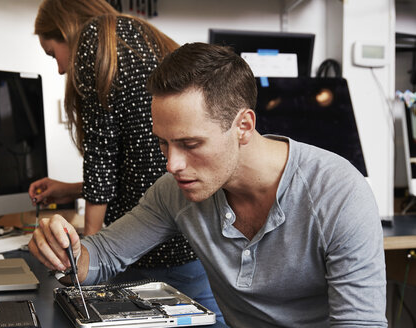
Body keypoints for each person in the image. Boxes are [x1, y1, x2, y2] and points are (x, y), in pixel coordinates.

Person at [29, 42, 388, 327]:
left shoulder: (338, 195)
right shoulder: (176, 191)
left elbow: (360, 323)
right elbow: (102, 256)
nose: (172, 164)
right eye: (163, 143)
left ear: (244, 126)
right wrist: (65, 248)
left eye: (190, 144)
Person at [27, 0, 222, 320]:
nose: (61, 68)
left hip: (150, 253)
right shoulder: (139, 36)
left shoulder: (94, 39)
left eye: (53, 54)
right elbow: (141, 163)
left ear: (65, 30)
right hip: (191, 243)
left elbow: (101, 156)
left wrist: (81, 254)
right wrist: (72, 190)